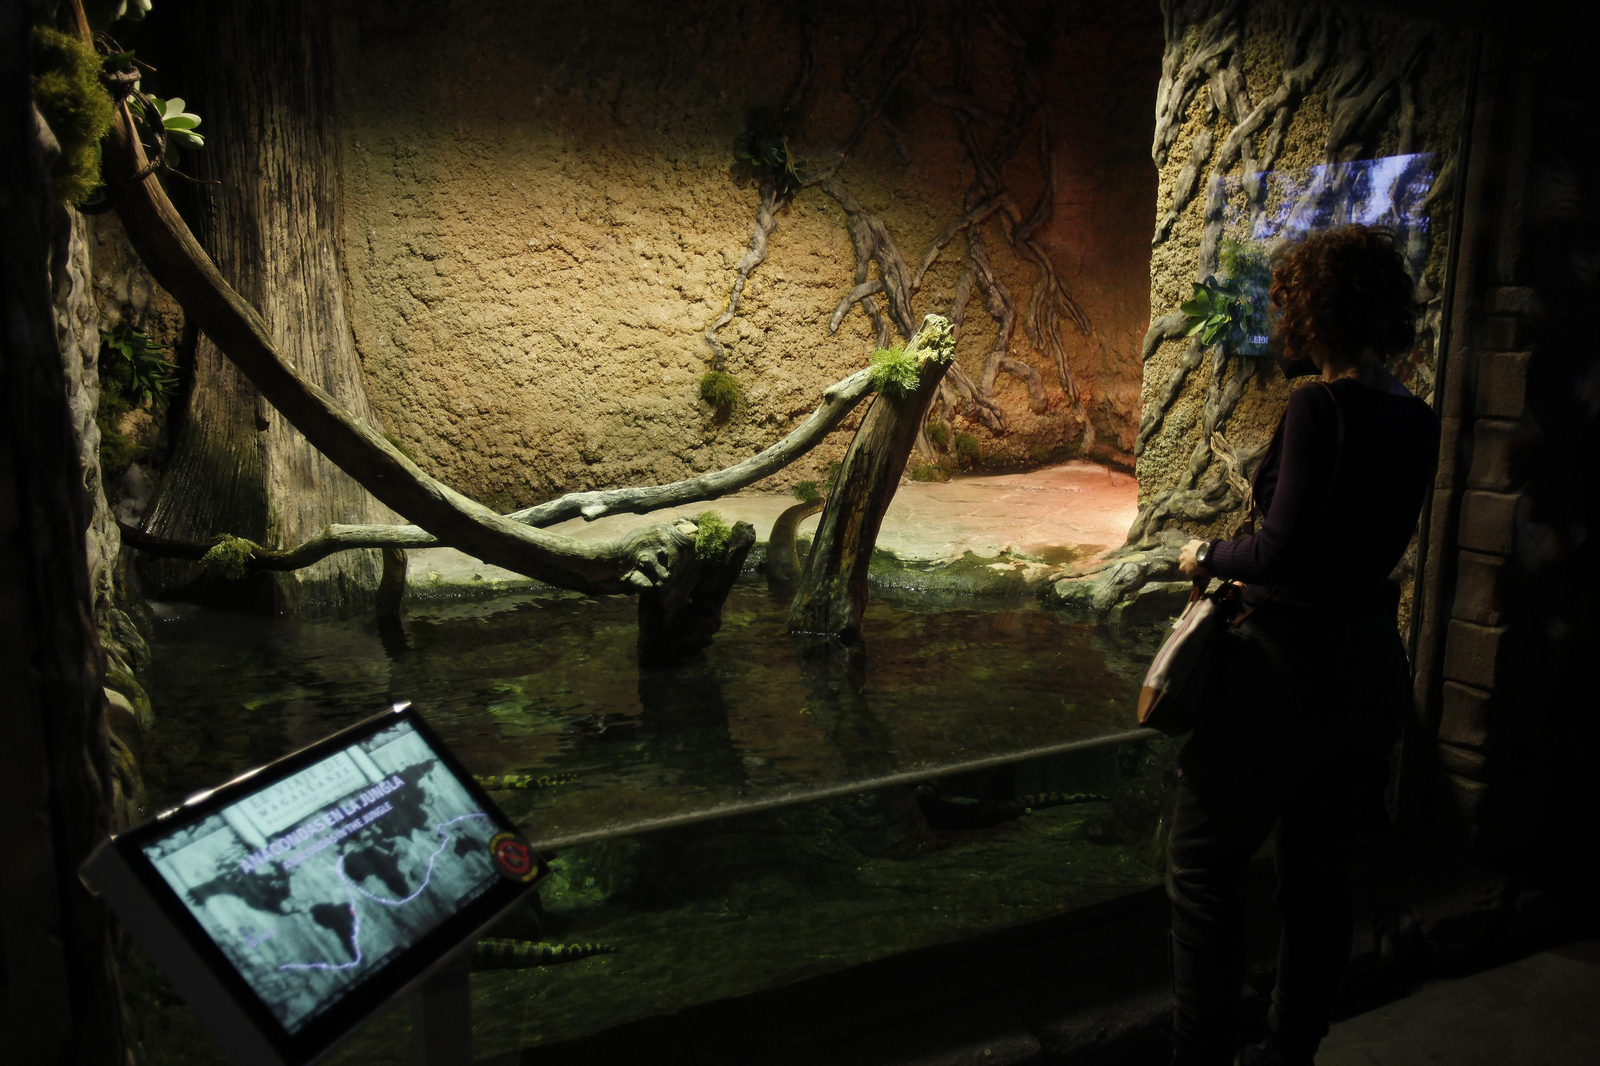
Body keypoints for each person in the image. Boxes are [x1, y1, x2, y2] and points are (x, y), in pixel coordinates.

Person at [1166, 224, 1439, 1066]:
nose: (1278, 321)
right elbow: (1359, 546)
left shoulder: (1319, 405)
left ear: (1319, 310)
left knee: (1200, 865)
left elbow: (1282, 552)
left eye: (1287, 305)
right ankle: (1290, 1053)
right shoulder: (1416, 418)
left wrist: (1205, 553)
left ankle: (1204, 1052)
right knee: (1318, 882)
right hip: (1368, 672)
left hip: (1288, 674)